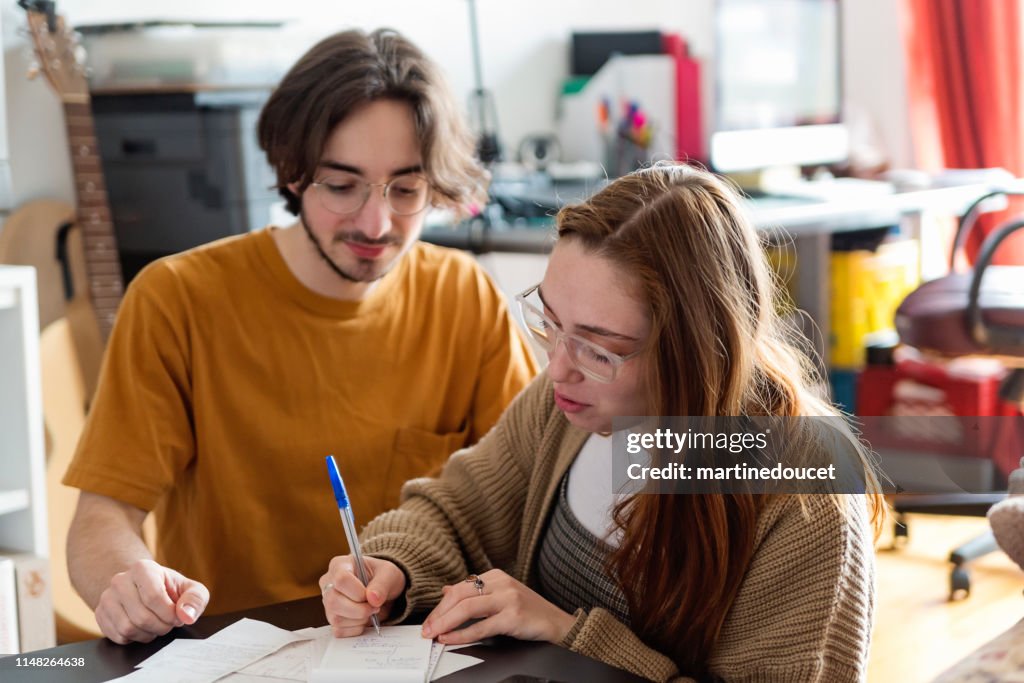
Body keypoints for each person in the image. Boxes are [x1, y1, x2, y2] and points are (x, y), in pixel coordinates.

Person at [320, 162, 887, 682]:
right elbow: (455, 510)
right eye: (550, 321)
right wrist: (391, 567)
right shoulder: (571, 404)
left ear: (692, 354)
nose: (558, 368)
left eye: (599, 349)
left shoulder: (804, 491)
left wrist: (570, 635)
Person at [62, 28, 538, 644]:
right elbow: (102, 516)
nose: (376, 222)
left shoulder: (464, 296)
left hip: (421, 649)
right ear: (292, 174)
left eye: (406, 189)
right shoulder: (176, 299)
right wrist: (127, 581)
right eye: (341, 186)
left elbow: (527, 495)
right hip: (235, 653)